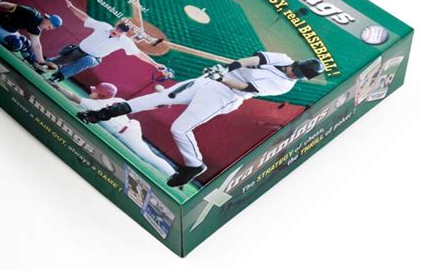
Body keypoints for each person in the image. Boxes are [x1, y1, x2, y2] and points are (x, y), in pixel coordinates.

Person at [77, 52, 324, 187]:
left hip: (226, 95)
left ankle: (194, 165)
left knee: (180, 129)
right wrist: (229, 67)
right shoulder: (283, 58)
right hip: (212, 81)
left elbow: (247, 87)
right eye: (296, 68)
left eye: (298, 74)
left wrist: (222, 78)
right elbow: (255, 60)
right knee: (157, 99)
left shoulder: (284, 85)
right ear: (297, 62)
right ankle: (102, 114)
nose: (293, 72)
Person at [50, 81, 176, 177]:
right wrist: (157, 106)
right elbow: (139, 106)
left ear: (102, 95)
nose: (92, 91)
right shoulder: (118, 99)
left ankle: (173, 175)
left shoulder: (93, 104)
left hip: (126, 133)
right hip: (128, 126)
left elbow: (73, 97)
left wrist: (58, 87)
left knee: (146, 156)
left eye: (95, 91)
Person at [49, 0, 163, 81]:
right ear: (115, 26)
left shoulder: (125, 42)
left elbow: (139, 54)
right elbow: (85, 18)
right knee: (50, 63)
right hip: (78, 50)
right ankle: (49, 63)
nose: (116, 31)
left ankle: (58, 76)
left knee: (88, 60)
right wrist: (71, 6)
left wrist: (155, 64)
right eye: (117, 28)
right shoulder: (103, 26)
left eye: (120, 31)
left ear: (123, 34)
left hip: (94, 58)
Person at [0, 1, 62, 69]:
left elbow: (36, 45)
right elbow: (11, 6)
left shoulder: (36, 27)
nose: (47, 29)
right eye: (49, 27)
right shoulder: (33, 14)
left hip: (9, 31)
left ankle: (34, 64)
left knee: (26, 43)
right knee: (16, 44)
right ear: (48, 20)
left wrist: (41, 61)